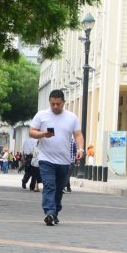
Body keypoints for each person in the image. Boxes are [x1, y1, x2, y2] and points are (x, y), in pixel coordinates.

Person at [30, 89, 84, 225]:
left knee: (59, 189)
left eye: (58, 104)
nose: (55, 106)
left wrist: (81, 149)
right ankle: (49, 212)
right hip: (45, 159)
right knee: (49, 186)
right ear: (49, 102)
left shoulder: (71, 117)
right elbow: (31, 132)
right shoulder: (41, 115)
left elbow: (78, 134)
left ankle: (54, 212)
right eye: (52, 103)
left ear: (63, 102)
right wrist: (43, 134)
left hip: (64, 161)